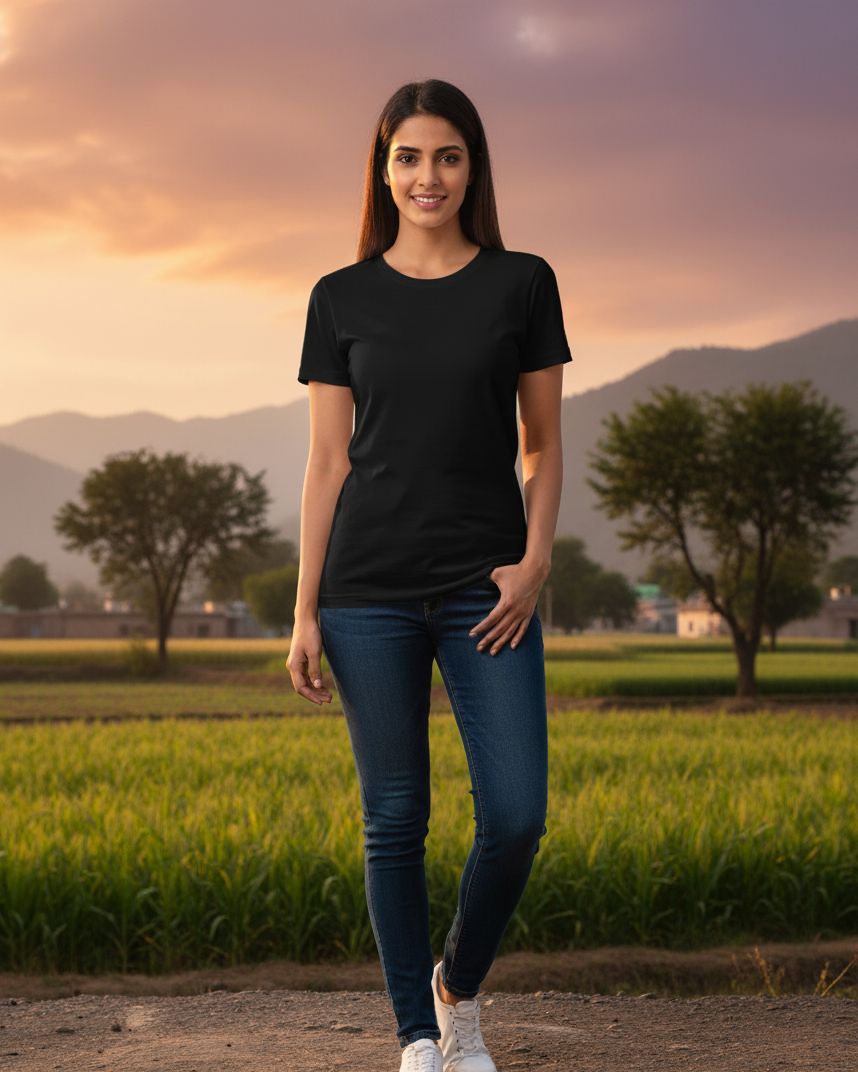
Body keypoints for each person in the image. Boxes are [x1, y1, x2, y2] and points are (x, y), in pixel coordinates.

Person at [288, 78, 571, 1072]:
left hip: (486, 592)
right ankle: (417, 1033)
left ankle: (460, 985)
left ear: (472, 168)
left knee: (517, 814)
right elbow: (328, 463)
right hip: (364, 593)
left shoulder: (522, 283)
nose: (428, 176)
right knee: (395, 819)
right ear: (383, 170)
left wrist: (535, 562)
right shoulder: (339, 296)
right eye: (408, 156)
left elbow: (543, 445)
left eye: (447, 155)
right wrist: (304, 610)